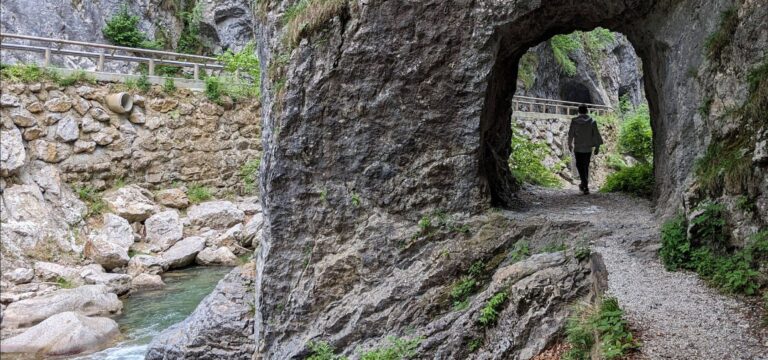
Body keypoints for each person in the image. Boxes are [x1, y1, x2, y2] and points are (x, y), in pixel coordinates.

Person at [568, 104, 603, 195]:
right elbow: (596, 135)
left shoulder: (574, 121)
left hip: (578, 147)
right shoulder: (592, 121)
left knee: (579, 166)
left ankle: (584, 184)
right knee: (585, 166)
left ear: (579, 111)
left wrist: (569, 144)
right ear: (587, 111)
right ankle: (584, 184)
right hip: (588, 148)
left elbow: (570, 133)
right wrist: (597, 147)